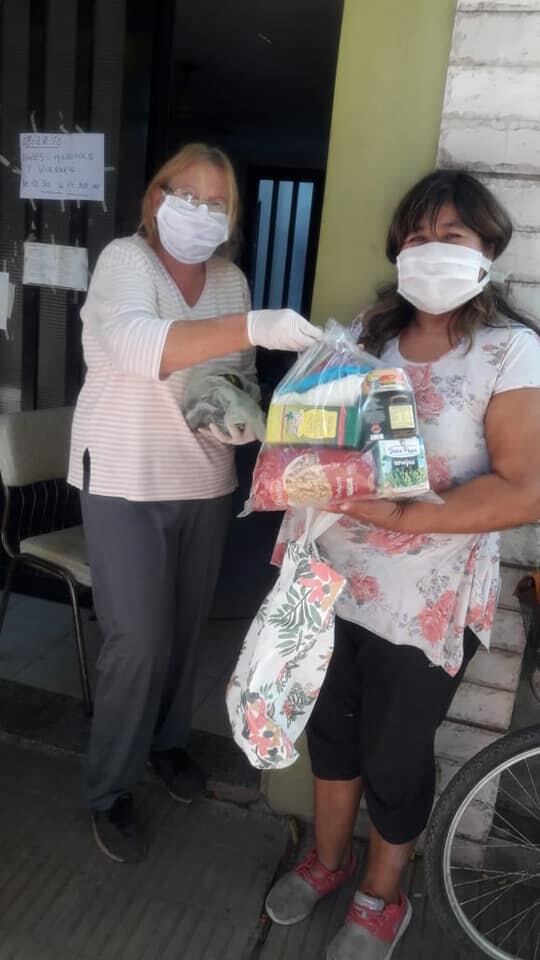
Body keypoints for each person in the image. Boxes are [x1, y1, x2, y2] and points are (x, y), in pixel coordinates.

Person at [264, 169, 540, 960]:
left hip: (427, 602)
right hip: (331, 581)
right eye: (418, 237)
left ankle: (382, 897)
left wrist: (404, 515)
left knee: (394, 751)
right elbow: (322, 433)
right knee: (332, 732)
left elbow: (525, 490)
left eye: (451, 237)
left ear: (487, 250)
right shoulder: (367, 332)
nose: (431, 251)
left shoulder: (509, 351)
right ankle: (325, 859)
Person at [68, 142, 321, 863]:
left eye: (220, 202)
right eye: (190, 195)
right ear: (156, 198)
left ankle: (168, 744)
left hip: (203, 478)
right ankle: (108, 788)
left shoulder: (231, 280)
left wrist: (246, 410)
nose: (203, 212)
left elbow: (232, 374)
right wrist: (253, 328)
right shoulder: (126, 262)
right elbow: (141, 348)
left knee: (182, 631)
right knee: (138, 641)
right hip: (123, 478)